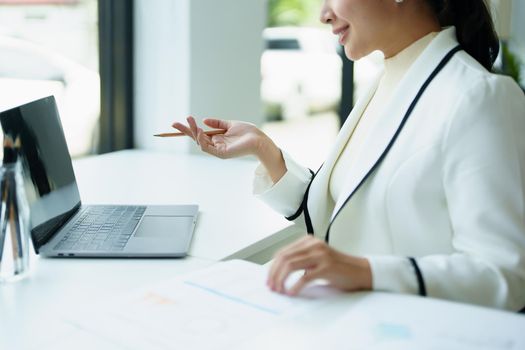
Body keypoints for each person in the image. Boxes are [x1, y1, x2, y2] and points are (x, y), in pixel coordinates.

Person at [173, 0, 525, 311]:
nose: (324, 14)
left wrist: (364, 271)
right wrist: (264, 150)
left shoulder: (479, 98)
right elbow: (345, 212)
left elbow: (505, 276)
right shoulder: (388, 81)